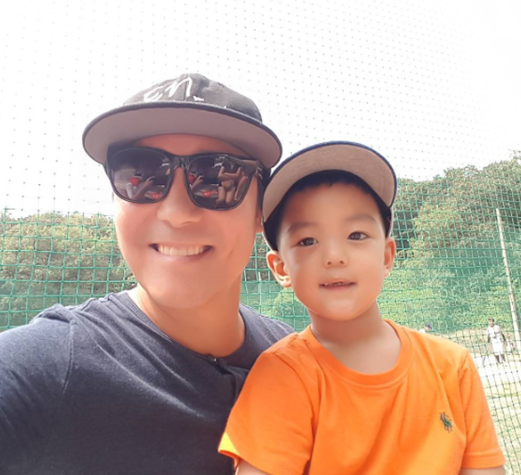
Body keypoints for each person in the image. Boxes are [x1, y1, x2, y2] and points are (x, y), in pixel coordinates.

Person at [0, 73, 293, 475]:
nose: (176, 212)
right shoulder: (47, 368)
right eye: (140, 174)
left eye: (216, 178)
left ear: (261, 209)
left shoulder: (296, 360)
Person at [219, 142, 505, 475]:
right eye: (307, 241)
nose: (335, 256)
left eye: (356, 235)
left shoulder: (452, 366)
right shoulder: (282, 376)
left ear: (386, 256)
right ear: (281, 268)